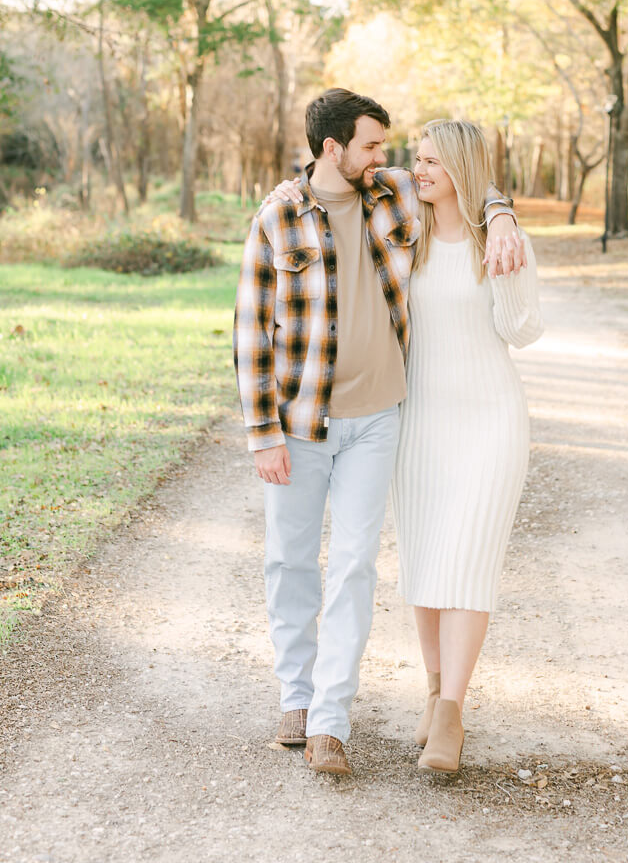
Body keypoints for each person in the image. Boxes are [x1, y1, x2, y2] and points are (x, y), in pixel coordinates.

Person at [233, 89, 522, 777]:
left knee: (356, 567)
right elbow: (251, 332)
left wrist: (502, 212)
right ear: (332, 149)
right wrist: (261, 433)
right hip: (300, 425)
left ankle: (332, 720)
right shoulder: (277, 216)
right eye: (371, 146)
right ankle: (297, 699)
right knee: (291, 563)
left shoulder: (390, 194)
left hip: (377, 420)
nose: (385, 160)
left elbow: (463, 178)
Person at [392, 119, 543, 774]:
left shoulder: (500, 239)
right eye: (415, 159)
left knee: (469, 563)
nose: (417, 170)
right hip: (421, 422)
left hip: (490, 422)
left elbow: (523, 330)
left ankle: (452, 711)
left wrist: (507, 245)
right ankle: (431, 691)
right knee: (426, 564)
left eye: (430, 162)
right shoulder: (405, 234)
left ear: (459, 166)